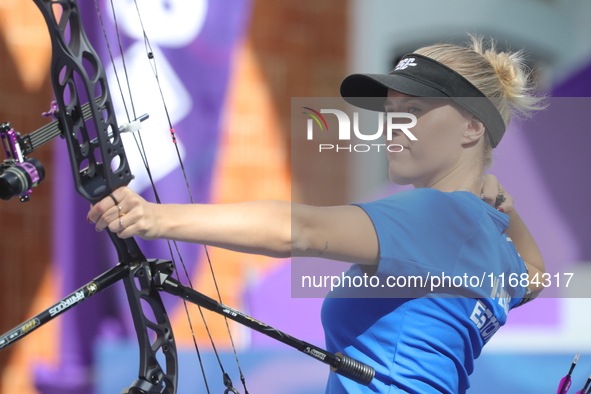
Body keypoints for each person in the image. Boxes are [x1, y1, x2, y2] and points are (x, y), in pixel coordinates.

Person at [88, 35, 546, 393]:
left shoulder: (437, 214)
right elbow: (536, 275)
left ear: (472, 126)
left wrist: (155, 218)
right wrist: (505, 207)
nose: (393, 124)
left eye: (416, 110)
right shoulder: (490, 239)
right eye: (391, 111)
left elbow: (301, 230)